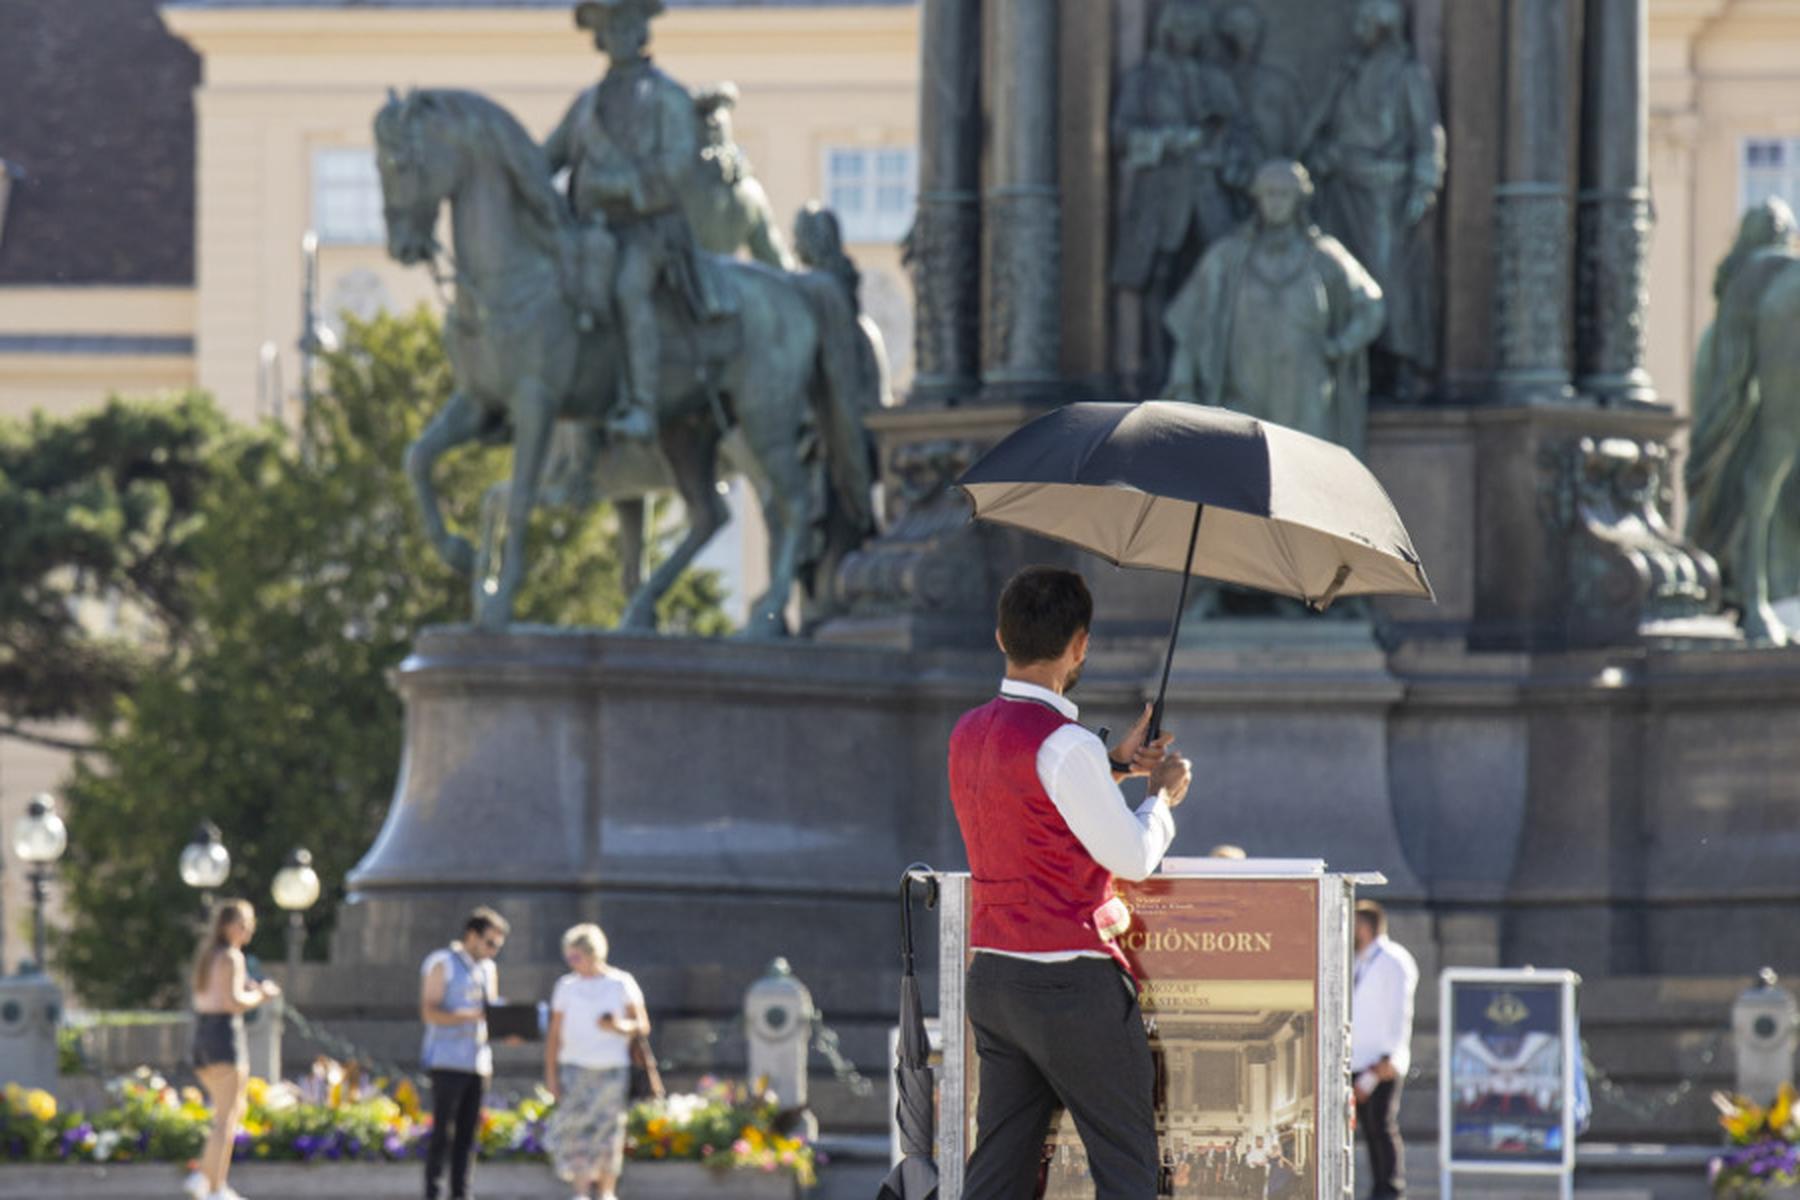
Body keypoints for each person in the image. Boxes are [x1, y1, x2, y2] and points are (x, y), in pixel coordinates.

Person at [950, 565, 1194, 1200]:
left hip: (996, 977)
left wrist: (1110, 768)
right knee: (1127, 1166)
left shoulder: (968, 731)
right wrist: (1160, 799)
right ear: (1080, 645)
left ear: (1002, 638)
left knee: (998, 1173)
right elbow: (1134, 858)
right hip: (1071, 982)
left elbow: (1030, 812)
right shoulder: (1066, 744)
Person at [544, 0, 728, 444]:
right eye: (611, 26)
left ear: (643, 31)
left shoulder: (667, 97)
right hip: (595, 233)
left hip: (653, 230)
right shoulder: (587, 105)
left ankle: (642, 404)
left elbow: (679, 168)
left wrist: (619, 185)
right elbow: (547, 158)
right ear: (600, 37)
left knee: (628, 288)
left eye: (628, 24)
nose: (619, 35)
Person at [1164, 159, 1384, 458]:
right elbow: (1190, 326)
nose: (1276, 202)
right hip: (1242, 395)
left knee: (1307, 478)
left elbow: (1371, 305)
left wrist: (1340, 345)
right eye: (1268, 194)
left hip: (1306, 397)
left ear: (1299, 199)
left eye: (1284, 194)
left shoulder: (1323, 256)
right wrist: (1183, 381)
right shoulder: (1227, 259)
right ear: (1257, 198)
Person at [1304, 0, 1445, 401]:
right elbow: (1324, 130)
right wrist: (1326, 155)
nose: (1359, 29)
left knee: (1388, 280)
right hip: (1343, 189)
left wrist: (1424, 184)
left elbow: (1427, 136)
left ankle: (1399, 364)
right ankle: (1359, 363)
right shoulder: (1348, 76)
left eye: (1366, 21)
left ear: (1385, 25)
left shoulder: (1406, 75)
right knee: (1345, 278)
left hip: (1385, 193)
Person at [543, 923, 650, 1200]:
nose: (572, 962)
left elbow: (641, 1025)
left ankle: (606, 1191)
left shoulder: (621, 982)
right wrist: (551, 1075)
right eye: (569, 957)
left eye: (576, 956)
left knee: (610, 1130)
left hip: (612, 1068)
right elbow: (554, 1035)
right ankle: (580, 1191)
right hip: (575, 1067)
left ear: (592, 953)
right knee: (576, 1128)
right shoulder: (566, 986)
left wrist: (617, 1027)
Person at [185, 899, 280, 1200]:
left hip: (203, 1038)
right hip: (224, 1037)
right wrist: (262, 995)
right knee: (227, 1118)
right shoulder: (231, 957)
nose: (247, 929)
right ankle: (216, 1187)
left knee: (225, 1113)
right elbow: (232, 1002)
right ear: (227, 926)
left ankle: (204, 1178)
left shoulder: (207, 956)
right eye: (243, 923)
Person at [420, 907, 509, 1200]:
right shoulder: (442, 962)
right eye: (490, 943)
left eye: (498, 946)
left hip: (478, 1062)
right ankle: (432, 1192)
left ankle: (461, 1194)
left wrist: (509, 1029)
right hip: (447, 1060)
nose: (493, 951)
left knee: (468, 1136)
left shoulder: (487, 969)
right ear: (472, 935)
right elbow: (430, 1012)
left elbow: (491, 1014)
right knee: (442, 1134)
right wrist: (471, 1016)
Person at [1351, 899, 1419, 1200]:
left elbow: (1398, 1012)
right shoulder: (1360, 961)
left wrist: (1386, 1060)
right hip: (1358, 1059)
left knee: (1382, 1126)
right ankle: (1378, 1189)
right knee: (1368, 1130)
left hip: (1381, 1062)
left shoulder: (1393, 959)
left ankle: (1390, 1190)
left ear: (1365, 927)